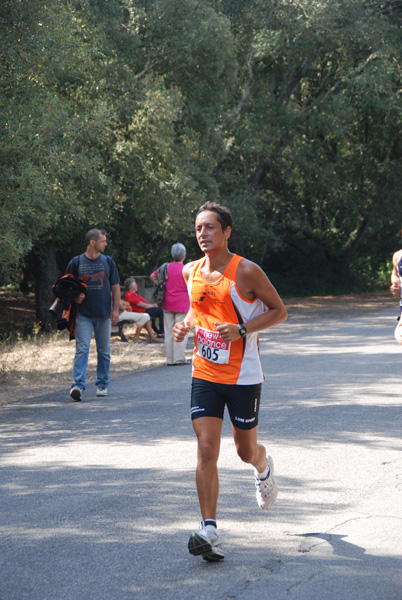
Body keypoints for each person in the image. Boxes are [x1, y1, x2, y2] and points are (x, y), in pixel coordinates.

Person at [173, 202, 288, 562]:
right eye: (197, 228)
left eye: (209, 228)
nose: (202, 234)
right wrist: (186, 323)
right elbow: (198, 307)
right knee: (206, 448)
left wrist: (242, 329)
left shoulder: (247, 271)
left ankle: (263, 465)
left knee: (243, 451)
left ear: (226, 232)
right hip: (205, 372)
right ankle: (209, 529)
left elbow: (279, 311)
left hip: (243, 376)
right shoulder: (189, 270)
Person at [66, 229, 120, 401]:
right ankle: (78, 386)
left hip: (103, 314)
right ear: (92, 242)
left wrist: (116, 309)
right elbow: (65, 285)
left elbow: (115, 286)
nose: (105, 244)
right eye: (103, 241)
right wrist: (75, 297)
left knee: (104, 351)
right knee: (82, 349)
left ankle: (102, 383)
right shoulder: (76, 262)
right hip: (83, 314)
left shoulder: (108, 261)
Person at [150, 243, 191, 365]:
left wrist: (161, 284)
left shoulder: (166, 267)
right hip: (182, 303)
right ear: (183, 255)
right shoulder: (186, 269)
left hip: (167, 302)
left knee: (168, 331)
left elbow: (152, 276)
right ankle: (178, 358)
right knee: (181, 330)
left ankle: (170, 359)